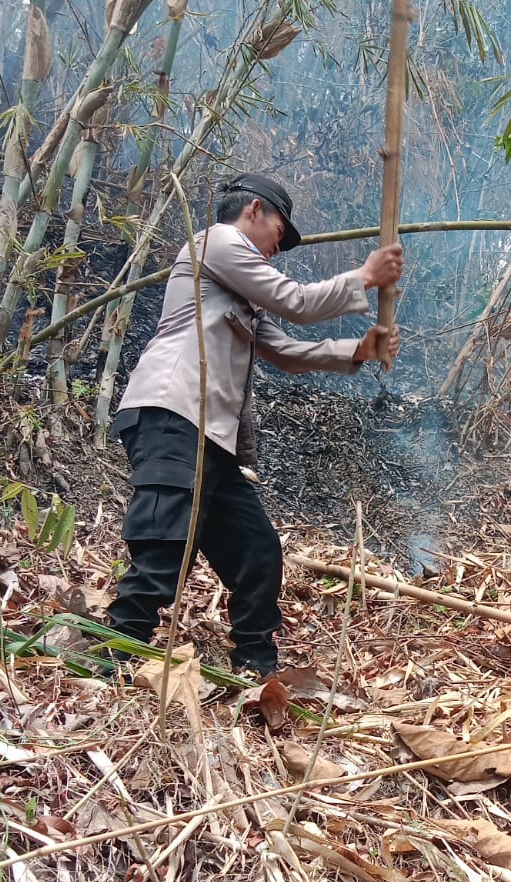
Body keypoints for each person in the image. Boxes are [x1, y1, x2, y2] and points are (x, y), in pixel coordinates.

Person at [104, 172, 403, 678]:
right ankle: (110, 654)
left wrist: (356, 350)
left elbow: (283, 351)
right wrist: (365, 277)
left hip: (213, 437)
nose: (275, 250)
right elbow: (297, 301)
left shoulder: (239, 287)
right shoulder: (217, 242)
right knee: (167, 543)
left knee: (256, 549)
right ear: (254, 211)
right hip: (172, 412)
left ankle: (254, 665)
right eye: (278, 235)